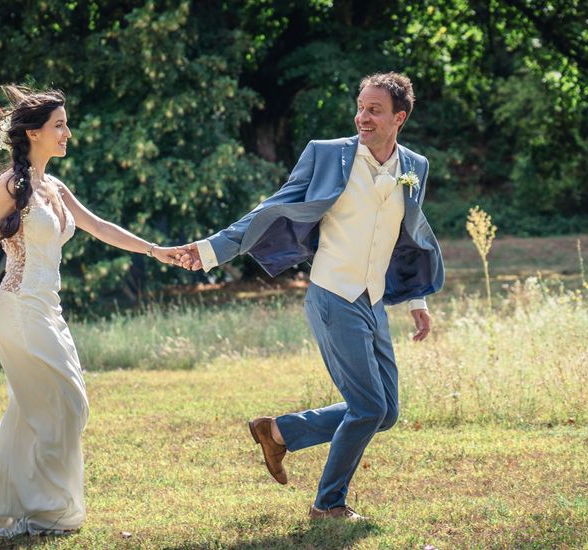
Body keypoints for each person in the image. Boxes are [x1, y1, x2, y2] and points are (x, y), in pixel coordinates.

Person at [0, 85, 191, 537]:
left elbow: (99, 226)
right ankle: (46, 510)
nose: (68, 132)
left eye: (65, 123)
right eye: (59, 125)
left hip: (49, 310)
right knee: (64, 404)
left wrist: (154, 250)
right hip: (19, 311)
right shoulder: (11, 186)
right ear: (33, 133)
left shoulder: (54, 187)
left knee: (54, 409)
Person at [182, 72, 444, 520]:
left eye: (374, 109)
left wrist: (416, 300)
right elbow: (270, 209)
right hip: (332, 294)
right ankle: (329, 504)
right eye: (360, 106)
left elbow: (408, 235)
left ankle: (278, 431)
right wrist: (208, 251)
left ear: (399, 117)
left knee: (387, 412)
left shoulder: (414, 166)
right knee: (368, 407)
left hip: (373, 299)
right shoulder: (326, 155)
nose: (363, 116)